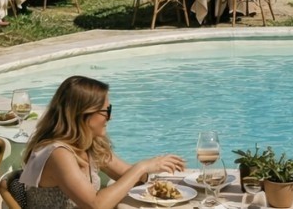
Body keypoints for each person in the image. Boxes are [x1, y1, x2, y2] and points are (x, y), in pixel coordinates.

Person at [20, 75, 185, 208]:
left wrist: (170, 177)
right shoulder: (58, 154)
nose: (110, 116)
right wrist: (142, 166)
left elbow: (129, 175)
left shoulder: (89, 144)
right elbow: (96, 204)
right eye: (106, 111)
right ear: (83, 114)